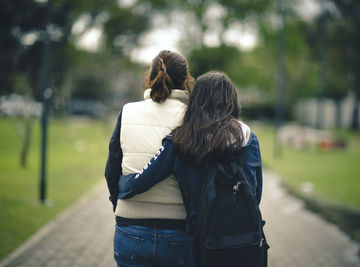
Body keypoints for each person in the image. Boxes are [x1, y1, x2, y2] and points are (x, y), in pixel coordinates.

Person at [117, 72, 265, 267]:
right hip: (245, 239)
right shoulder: (247, 137)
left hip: (200, 242)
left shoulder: (182, 138)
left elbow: (145, 178)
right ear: (232, 100)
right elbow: (256, 193)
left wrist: (122, 184)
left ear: (195, 100)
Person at [105, 50, 195, 267]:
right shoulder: (192, 116)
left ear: (149, 79)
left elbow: (111, 170)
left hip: (130, 228)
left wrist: (120, 202)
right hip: (178, 230)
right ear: (185, 83)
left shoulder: (127, 111)